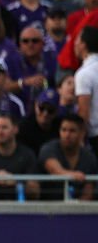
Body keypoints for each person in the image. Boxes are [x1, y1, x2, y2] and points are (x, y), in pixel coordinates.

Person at [39, 112, 98, 199]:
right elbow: (55, 170)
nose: (67, 135)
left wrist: (77, 209)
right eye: (64, 130)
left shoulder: (89, 157)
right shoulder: (48, 149)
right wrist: (72, 175)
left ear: (82, 133)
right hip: (48, 207)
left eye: (72, 131)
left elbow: (88, 191)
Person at [17, 88, 61, 155]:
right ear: (35, 106)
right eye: (41, 108)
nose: (45, 113)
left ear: (57, 111)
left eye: (50, 110)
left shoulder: (61, 126)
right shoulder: (24, 127)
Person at [76, 25, 98, 153]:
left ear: (83, 45)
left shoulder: (84, 73)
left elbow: (84, 112)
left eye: (77, 40)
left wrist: (79, 140)